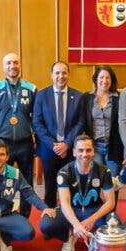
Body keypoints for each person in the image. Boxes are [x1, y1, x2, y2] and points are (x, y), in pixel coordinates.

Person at [39, 135, 115, 251]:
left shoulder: (104, 171)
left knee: (116, 224)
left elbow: (111, 202)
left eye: (88, 150)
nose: (85, 154)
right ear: (74, 152)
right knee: (46, 224)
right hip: (72, 209)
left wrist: (91, 220)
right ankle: (69, 236)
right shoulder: (64, 172)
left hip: (94, 210)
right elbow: (64, 203)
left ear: (93, 151)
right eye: (80, 150)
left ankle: (94, 234)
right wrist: (76, 225)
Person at [0, 53, 37, 218]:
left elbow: (36, 117)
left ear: (20, 64)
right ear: (3, 66)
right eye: (8, 63)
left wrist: (35, 138)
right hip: (2, 143)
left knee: (27, 182)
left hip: (25, 143)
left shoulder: (31, 89)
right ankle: (3, 213)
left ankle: (25, 216)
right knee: (1, 182)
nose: (12, 66)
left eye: (15, 62)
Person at [33, 61, 84, 208]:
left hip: (69, 150)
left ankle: (71, 218)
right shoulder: (42, 95)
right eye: (57, 73)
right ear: (51, 75)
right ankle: (50, 218)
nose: (60, 76)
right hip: (49, 149)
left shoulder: (78, 96)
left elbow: (80, 123)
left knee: (71, 185)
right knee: (50, 188)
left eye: (64, 73)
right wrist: (53, 145)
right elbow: (37, 123)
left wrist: (66, 144)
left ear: (68, 75)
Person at [81, 65, 123, 177]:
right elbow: (81, 122)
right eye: (101, 77)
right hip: (94, 146)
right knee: (96, 179)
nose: (104, 81)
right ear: (96, 79)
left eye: (108, 77)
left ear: (112, 80)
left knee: (113, 180)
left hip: (114, 146)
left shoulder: (119, 97)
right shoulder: (86, 98)